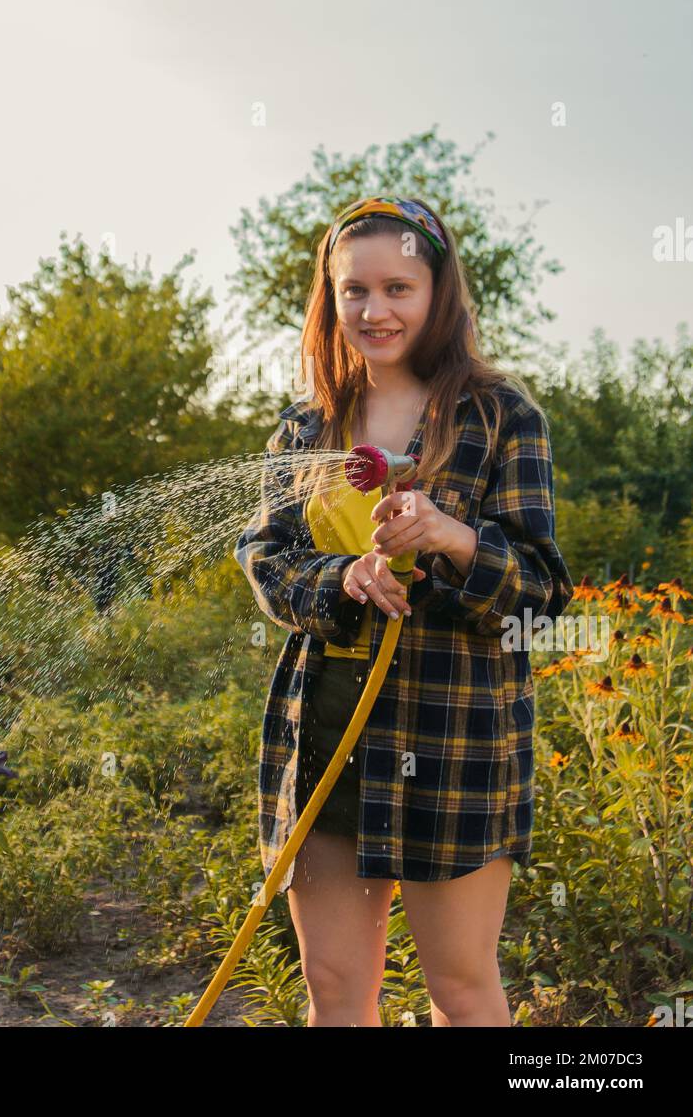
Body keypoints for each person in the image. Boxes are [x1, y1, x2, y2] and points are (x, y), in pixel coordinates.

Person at [233, 194, 574, 1027]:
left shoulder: (500, 418)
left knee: (460, 988)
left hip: (450, 730)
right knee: (338, 992)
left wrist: (454, 535)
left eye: (398, 289)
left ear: (438, 294)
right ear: (330, 298)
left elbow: (538, 592)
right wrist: (343, 581)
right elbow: (267, 558)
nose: (374, 310)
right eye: (354, 291)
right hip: (327, 731)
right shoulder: (306, 428)